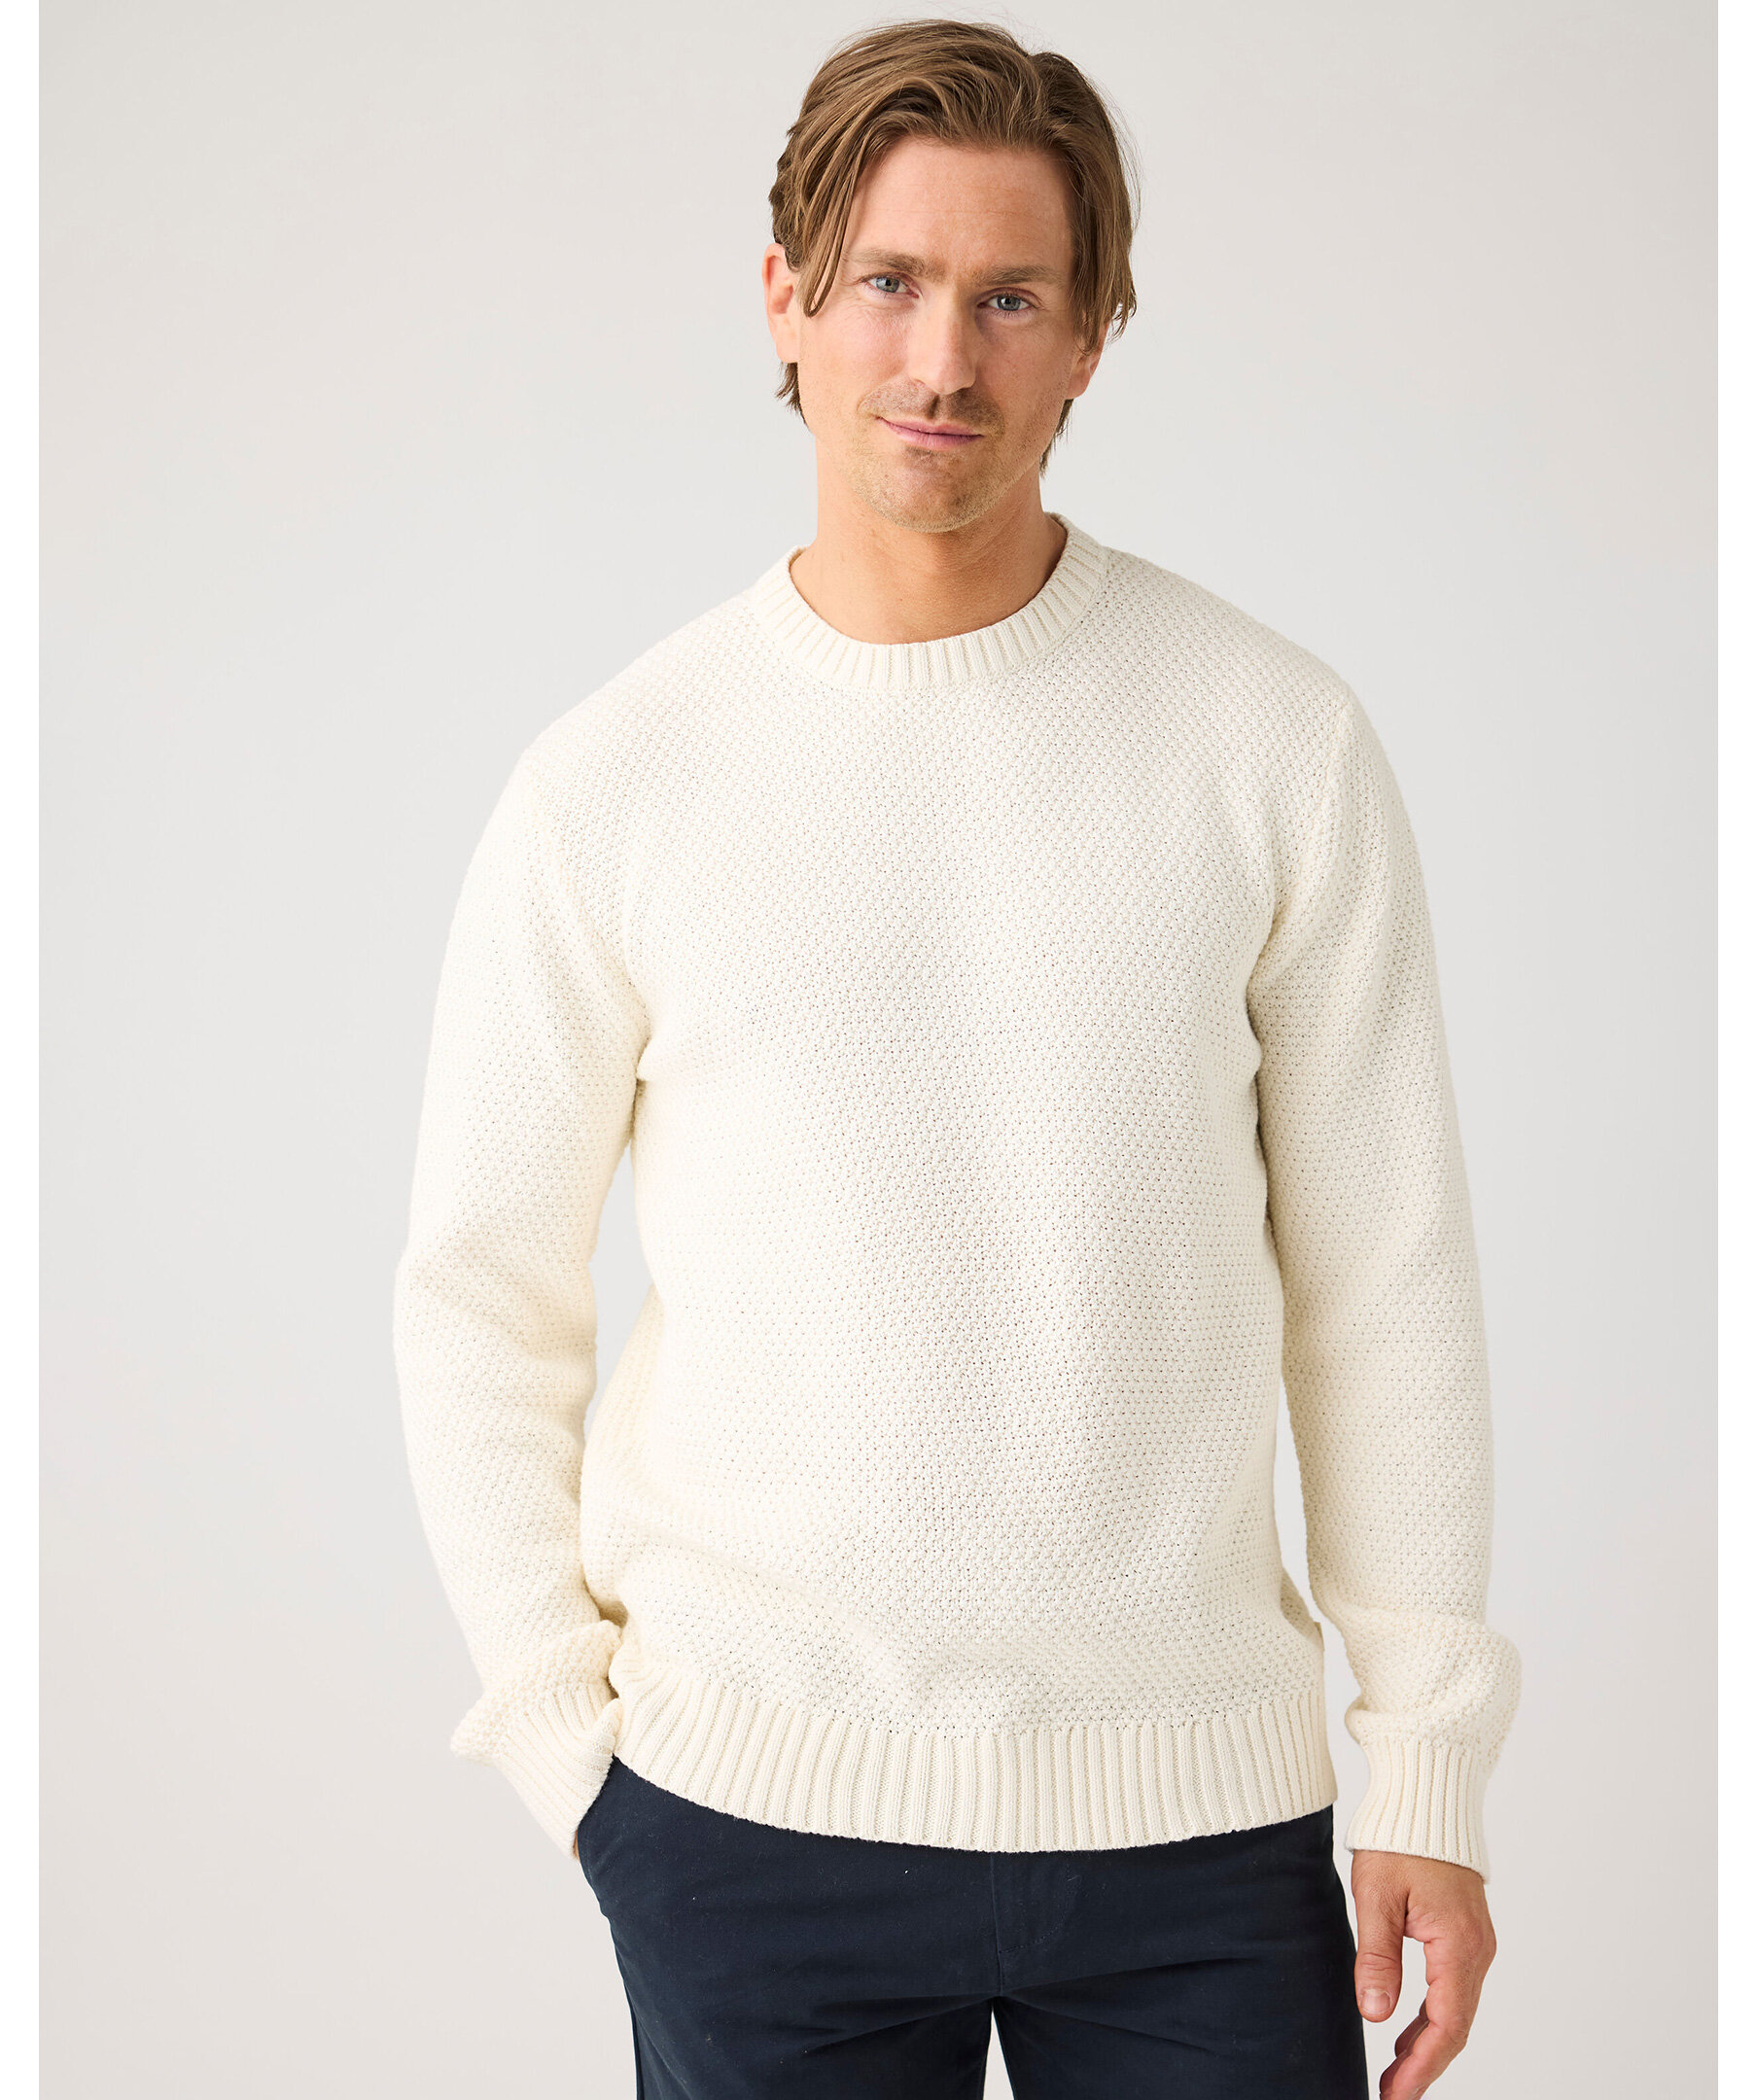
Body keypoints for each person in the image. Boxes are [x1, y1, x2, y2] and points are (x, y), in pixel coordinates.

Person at [392, 19, 1520, 2098]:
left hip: (1198, 1836)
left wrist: (1426, 1763)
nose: (942, 359)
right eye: (890, 283)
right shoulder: (619, 781)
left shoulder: (1270, 743)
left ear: (1091, 339)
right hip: (745, 1822)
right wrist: (568, 1747)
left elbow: (1387, 1286)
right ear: (785, 301)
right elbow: (480, 1290)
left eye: (1012, 298)